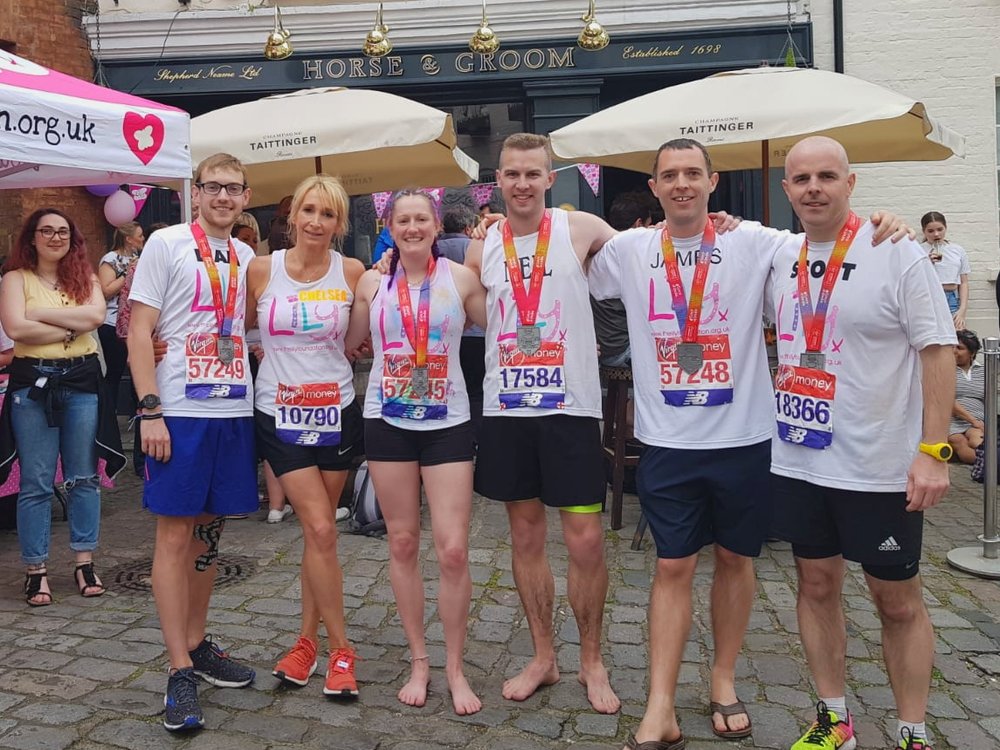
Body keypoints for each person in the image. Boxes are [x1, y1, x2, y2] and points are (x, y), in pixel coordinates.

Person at [588, 138, 910, 749]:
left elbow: (828, 235)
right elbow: (575, 258)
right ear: (653, 188)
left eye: (693, 173)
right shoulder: (628, 250)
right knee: (672, 565)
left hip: (746, 439)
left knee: (736, 560)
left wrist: (879, 222)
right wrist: (500, 226)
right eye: (669, 175)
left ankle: (724, 680)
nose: (681, 183)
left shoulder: (755, 241)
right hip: (667, 441)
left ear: (713, 182)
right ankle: (659, 705)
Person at [769, 137, 955, 750]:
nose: (813, 188)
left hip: (878, 465)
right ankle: (833, 721)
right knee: (815, 585)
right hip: (801, 458)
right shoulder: (780, 256)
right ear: (787, 187)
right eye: (801, 178)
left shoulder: (894, 249)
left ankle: (912, 730)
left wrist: (933, 452)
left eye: (827, 176)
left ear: (852, 183)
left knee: (896, 600)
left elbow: (937, 350)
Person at [465, 133, 624, 714]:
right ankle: (543, 656)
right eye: (512, 174)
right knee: (526, 537)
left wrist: (724, 222)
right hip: (508, 412)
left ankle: (591, 659)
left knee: (583, 540)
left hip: (570, 412)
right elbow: (471, 310)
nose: (523, 183)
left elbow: (652, 249)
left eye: (533, 173)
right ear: (498, 181)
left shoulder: (581, 229)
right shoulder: (481, 249)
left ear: (550, 178)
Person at [127, 153, 259, 732]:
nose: (223, 197)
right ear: (195, 192)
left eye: (234, 188)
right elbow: (138, 328)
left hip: (233, 406)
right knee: (176, 533)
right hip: (178, 409)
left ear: (246, 196)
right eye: (213, 188)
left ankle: (199, 642)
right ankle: (178, 668)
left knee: (210, 529)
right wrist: (149, 409)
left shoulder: (249, 256)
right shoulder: (168, 242)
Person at [345, 188, 487, 715]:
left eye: (420, 219)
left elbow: (502, 325)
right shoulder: (371, 281)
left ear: (434, 225)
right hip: (388, 421)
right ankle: (419, 659)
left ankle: (455, 666)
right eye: (402, 220)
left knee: (452, 549)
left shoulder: (462, 279)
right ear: (389, 225)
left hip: (448, 421)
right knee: (402, 542)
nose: (412, 228)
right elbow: (352, 343)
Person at [247, 174, 366, 696]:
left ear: (339, 224)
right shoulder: (260, 269)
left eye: (329, 214)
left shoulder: (355, 271)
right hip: (279, 410)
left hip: (336, 409)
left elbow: (367, 334)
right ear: (291, 215)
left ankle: (305, 644)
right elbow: (231, 327)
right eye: (310, 211)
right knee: (320, 530)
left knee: (319, 540)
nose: (317, 222)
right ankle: (342, 651)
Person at [0, 209, 123, 605]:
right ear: (31, 238)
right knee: (36, 481)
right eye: (47, 231)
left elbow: (97, 315)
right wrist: (73, 324)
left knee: (84, 477)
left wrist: (40, 314)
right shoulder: (15, 278)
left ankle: (84, 561)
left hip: (82, 381)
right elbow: (16, 329)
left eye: (63, 232)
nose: (55, 238)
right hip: (32, 386)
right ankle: (35, 570)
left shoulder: (85, 277)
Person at [591, 191, 656, 368]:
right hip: (624, 350)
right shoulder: (634, 257)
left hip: (602, 350)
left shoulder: (597, 252)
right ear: (639, 224)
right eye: (650, 225)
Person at [437, 207, 486, 441]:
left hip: (444, 334)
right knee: (476, 391)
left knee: (450, 386)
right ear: (468, 228)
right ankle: (474, 438)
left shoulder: (432, 249)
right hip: (477, 332)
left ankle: (451, 433)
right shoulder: (475, 246)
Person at [97, 221, 143, 408]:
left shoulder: (140, 257)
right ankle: (109, 418)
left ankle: (137, 414)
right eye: (139, 236)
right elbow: (106, 291)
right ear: (129, 239)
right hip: (112, 323)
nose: (143, 239)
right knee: (115, 370)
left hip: (135, 322)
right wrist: (127, 272)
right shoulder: (111, 259)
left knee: (138, 372)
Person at [921, 211, 970, 329]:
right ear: (924, 231)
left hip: (952, 298)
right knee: (932, 336)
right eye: (930, 231)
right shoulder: (918, 250)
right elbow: (911, 280)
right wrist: (926, 263)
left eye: (940, 229)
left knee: (956, 335)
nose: (936, 234)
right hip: (929, 298)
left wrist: (962, 310)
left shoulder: (957, 250)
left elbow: (964, 282)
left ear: (945, 228)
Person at [948, 329, 986, 465]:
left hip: (978, 419)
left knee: (976, 438)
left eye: (960, 348)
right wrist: (972, 420)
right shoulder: (946, 370)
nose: (954, 351)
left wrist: (980, 422)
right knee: (958, 441)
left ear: (972, 353)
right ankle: (986, 467)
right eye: (952, 346)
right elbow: (948, 401)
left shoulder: (984, 371)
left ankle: (992, 467)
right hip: (953, 419)